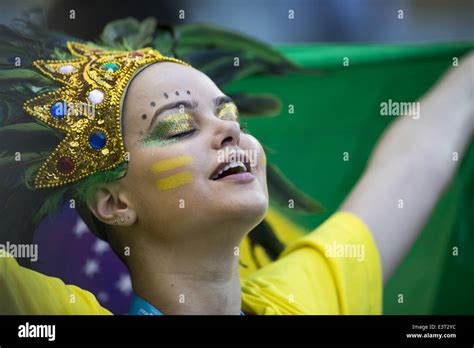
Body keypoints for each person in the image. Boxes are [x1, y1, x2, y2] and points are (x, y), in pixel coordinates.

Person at [0, 37, 472, 315]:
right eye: (179, 126)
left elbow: (419, 154)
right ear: (116, 203)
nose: (228, 129)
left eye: (231, 116)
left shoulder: (297, 304)